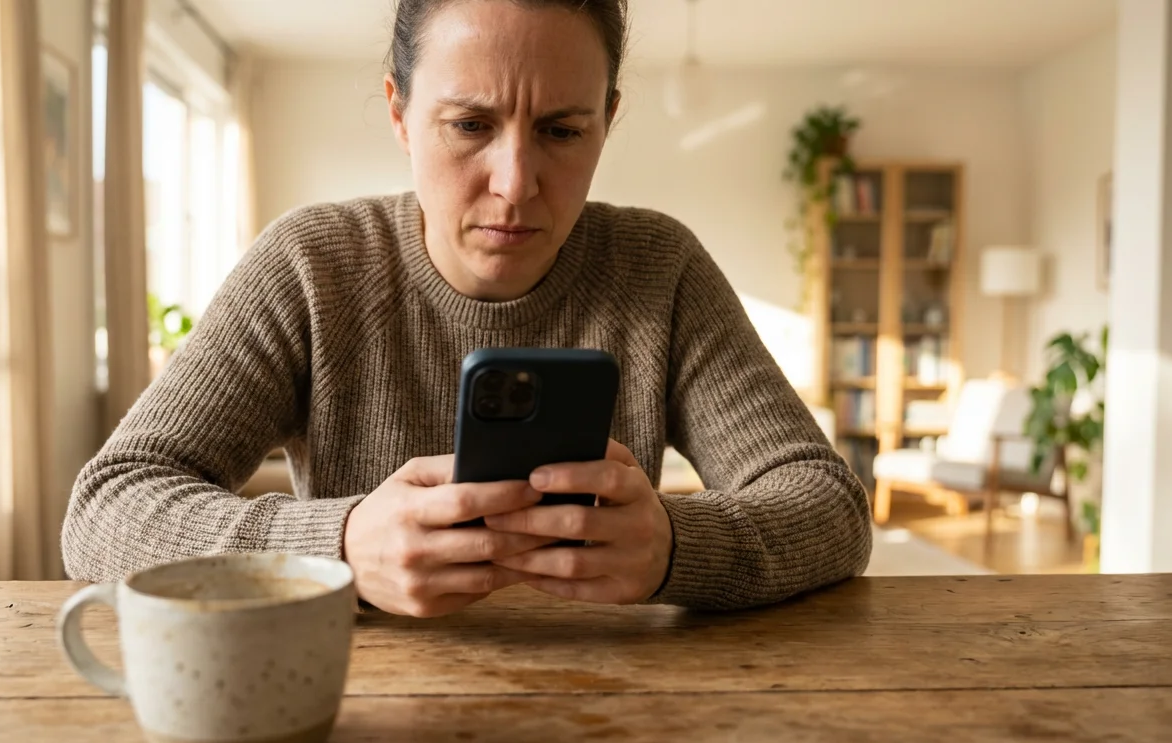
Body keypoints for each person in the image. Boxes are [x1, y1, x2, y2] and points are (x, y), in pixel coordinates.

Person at [62, 0, 871, 616]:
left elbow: (827, 505)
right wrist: (335, 547)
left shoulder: (661, 270)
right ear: (399, 114)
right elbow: (105, 509)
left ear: (608, 120)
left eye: (561, 130)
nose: (515, 184)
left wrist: (675, 548)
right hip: (352, 707)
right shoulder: (309, 265)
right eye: (471, 125)